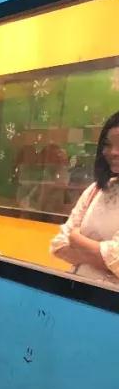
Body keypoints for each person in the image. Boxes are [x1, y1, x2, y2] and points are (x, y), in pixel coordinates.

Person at [50, 110, 119, 285]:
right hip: (77, 292)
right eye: (108, 144)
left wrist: (76, 239)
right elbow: (59, 244)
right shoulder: (96, 189)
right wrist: (104, 259)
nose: (113, 152)